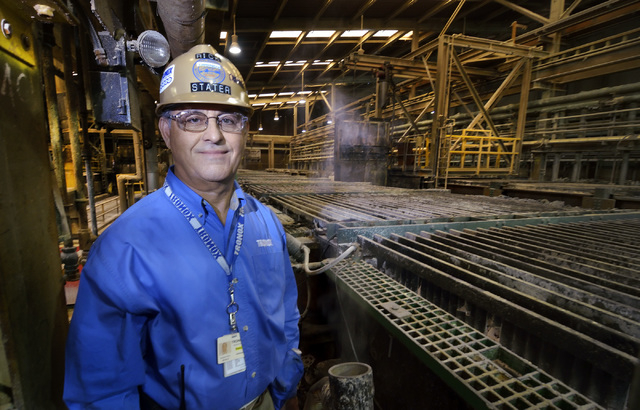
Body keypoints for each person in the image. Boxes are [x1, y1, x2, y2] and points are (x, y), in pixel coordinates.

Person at [64, 44, 304, 410]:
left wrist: (286, 386)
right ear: (165, 131)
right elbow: (102, 388)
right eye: (193, 119)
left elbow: (286, 315)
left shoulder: (266, 223)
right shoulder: (125, 246)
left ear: (244, 131)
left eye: (229, 120)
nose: (214, 135)